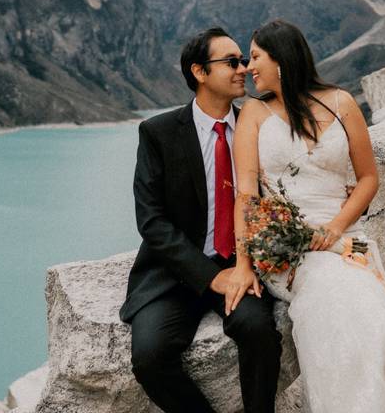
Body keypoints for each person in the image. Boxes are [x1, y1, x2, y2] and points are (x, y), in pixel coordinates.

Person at [231, 19, 385, 413]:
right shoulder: (254, 114)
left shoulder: (341, 102)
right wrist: (244, 264)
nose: (248, 67)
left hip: (348, 235)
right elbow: (246, 194)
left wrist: (335, 226)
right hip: (290, 251)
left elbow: (367, 179)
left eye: (256, 56)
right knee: (337, 302)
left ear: (281, 59)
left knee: (383, 321)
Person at [119, 27, 282, 413]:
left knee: (259, 333)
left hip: (241, 265)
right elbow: (152, 220)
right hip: (173, 273)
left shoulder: (257, 127)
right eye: (231, 62)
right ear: (199, 72)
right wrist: (210, 276)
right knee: (150, 358)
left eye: (244, 60)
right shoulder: (158, 132)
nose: (243, 68)